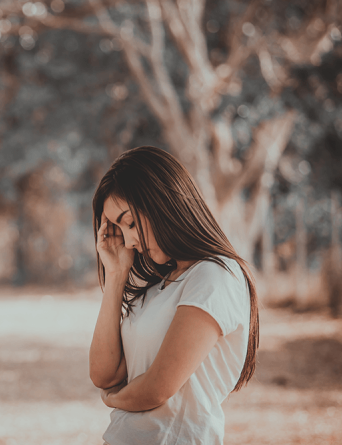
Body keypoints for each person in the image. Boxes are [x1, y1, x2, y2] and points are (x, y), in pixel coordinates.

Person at [89, 146, 259, 445]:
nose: (128, 240)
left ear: (162, 202)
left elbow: (157, 387)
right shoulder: (158, 284)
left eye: (130, 223)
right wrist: (116, 277)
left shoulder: (215, 276)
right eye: (117, 229)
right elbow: (104, 375)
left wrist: (113, 400)